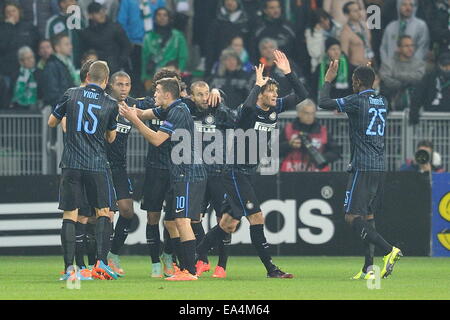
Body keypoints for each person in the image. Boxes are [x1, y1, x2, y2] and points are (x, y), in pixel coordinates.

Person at [196, 51, 308, 279]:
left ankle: (194, 255)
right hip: (235, 173)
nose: (276, 95)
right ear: (260, 95)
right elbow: (246, 110)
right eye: (271, 91)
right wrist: (257, 86)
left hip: (247, 173)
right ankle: (271, 269)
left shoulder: (274, 110)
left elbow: (303, 94)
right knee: (257, 218)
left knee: (228, 224)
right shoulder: (247, 112)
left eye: (276, 91)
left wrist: (289, 73)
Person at [318, 61, 403, 280]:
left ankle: (389, 250)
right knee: (368, 215)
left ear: (356, 82)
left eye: (354, 81)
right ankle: (369, 268)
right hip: (379, 166)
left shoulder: (356, 100)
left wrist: (328, 78)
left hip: (362, 166)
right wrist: (364, 76)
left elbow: (323, 102)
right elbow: (365, 94)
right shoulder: (382, 100)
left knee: (351, 216)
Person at [119, 78, 208, 281]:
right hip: (183, 172)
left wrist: (134, 120)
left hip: (188, 172)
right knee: (178, 221)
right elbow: (143, 112)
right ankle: (186, 268)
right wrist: (124, 107)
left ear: (167, 94)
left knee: (183, 221)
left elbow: (157, 139)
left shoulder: (177, 111)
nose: (154, 95)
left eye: (157, 92)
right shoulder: (171, 108)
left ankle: (190, 271)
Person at [47, 60, 119, 281]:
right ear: (105, 81)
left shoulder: (70, 94)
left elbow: (52, 122)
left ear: (87, 76)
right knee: (103, 211)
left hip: (72, 163)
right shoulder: (110, 103)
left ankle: (70, 269)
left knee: (70, 214)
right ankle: (101, 264)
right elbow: (111, 137)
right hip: (96, 164)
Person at [185, 81, 237, 279]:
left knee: (222, 220)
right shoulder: (188, 111)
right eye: (199, 94)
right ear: (192, 97)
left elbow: (235, 118)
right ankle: (203, 259)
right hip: (197, 172)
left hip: (218, 173)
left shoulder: (219, 111)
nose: (205, 97)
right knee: (193, 218)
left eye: (207, 93)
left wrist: (219, 95)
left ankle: (222, 265)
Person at [104, 71, 138, 277]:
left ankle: (113, 255)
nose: (124, 88)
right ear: (110, 85)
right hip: (101, 166)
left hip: (119, 167)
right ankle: (98, 260)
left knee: (127, 211)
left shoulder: (132, 105)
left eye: (127, 84)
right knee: (103, 216)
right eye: (120, 84)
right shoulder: (103, 104)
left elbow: (159, 102)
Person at [280, 99, 341, 172]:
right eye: (306, 113)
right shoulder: (288, 129)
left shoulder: (322, 131)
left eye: (312, 113)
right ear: (299, 113)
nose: (310, 116)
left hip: (316, 173)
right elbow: (274, 151)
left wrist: (321, 158)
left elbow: (336, 152)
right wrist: (289, 144)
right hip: (291, 172)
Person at [0, 1, 39, 106]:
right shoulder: (2, 28)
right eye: (8, 12)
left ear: (19, 12)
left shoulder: (28, 27)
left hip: (27, 71)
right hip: (7, 72)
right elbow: (2, 46)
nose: (11, 14)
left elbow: (36, 45)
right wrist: (8, 26)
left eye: (13, 11)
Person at [141, 7, 189, 93]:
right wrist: (145, 77)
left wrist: (178, 73)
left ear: (169, 18)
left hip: (172, 75)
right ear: (155, 18)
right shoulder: (148, 37)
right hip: (153, 75)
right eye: (159, 15)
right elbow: (145, 59)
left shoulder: (178, 36)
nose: (162, 17)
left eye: (165, 15)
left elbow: (183, 57)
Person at [80, 2, 132, 74]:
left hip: (114, 69)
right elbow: (84, 51)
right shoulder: (86, 33)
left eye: (102, 11)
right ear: (90, 16)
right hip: (96, 71)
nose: (101, 14)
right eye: (97, 12)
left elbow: (127, 46)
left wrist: (119, 63)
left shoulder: (115, 28)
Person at [379, 35, 426, 111]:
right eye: (406, 46)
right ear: (399, 48)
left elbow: (419, 78)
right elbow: (385, 80)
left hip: (415, 107)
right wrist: (404, 84)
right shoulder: (388, 63)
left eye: (412, 45)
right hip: (392, 105)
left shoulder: (419, 64)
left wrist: (396, 75)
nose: (410, 48)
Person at [204, 0, 250, 76]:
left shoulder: (245, 22)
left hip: (242, 65)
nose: (230, 2)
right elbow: (210, 46)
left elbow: (250, 45)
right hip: (219, 64)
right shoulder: (216, 22)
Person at [380, 0, 430, 66]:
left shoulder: (421, 26)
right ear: (398, 6)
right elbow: (383, 48)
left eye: (411, 5)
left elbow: (422, 48)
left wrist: (410, 66)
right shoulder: (390, 27)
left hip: (412, 70)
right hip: (391, 69)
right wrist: (387, 65)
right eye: (404, 4)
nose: (408, 8)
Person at [409, 50, 450, 124]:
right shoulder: (429, 78)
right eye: (444, 65)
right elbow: (418, 95)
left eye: (449, 65)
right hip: (431, 121)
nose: (447, 68)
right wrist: (414, 112)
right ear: (439, 65)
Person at [41, 33, 79, 107]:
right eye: (66, 44)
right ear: (57, 48)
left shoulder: (67, 64)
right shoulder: (51, 66)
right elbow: (52, 94)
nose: (70, 47)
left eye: (70, 44)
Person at [46, 0, 85, 68]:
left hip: (79, 67)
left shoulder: (81, 22)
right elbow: (48, 46)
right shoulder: (52, 22)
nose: (72, 3)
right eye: (70, 1)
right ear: (61, 4)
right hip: (59, 68)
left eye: (73, 1)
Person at [305, 9, 341, 75]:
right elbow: (315, 53)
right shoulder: (311, 33)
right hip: (320, 67)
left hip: (339, 65)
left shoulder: (337, 28)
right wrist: (317, 34)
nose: (325, 23)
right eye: (321, 22)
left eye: (326, 19)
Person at [340, 1, 374, 67]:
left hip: (370, 65)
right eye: (355, 11)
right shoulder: (345, 32)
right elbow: (344, 55)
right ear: (347, 14)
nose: (359, 13)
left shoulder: (365, 26)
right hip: (356, 67)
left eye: (359, 9)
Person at [10, 46, 39, 110]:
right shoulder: (15, 75)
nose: (31, 60)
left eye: (32, 57)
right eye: (28, 58)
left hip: (35, 109)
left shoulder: (39, 73)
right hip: (17, 108)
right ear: (21, 61)